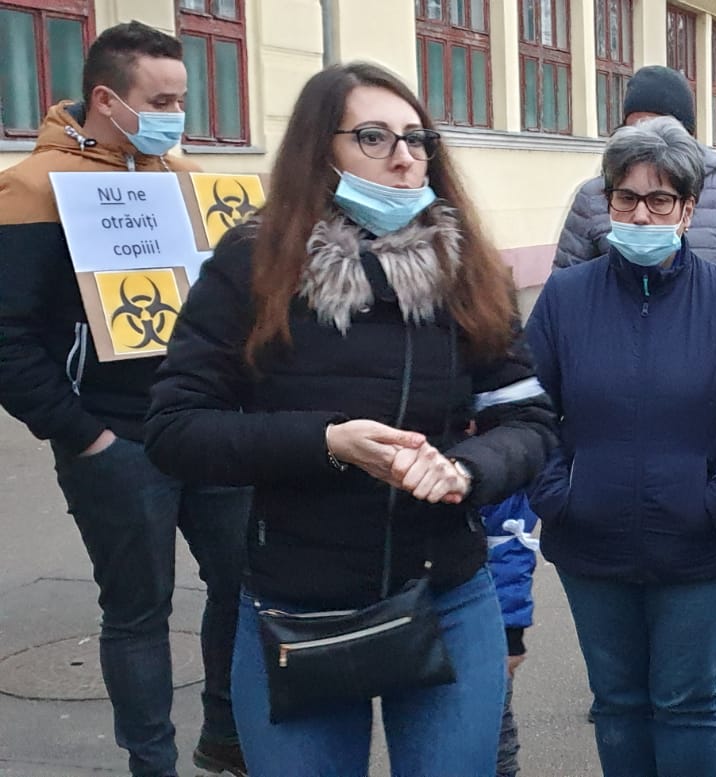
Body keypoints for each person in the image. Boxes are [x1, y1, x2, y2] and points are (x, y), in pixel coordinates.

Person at [143, 62, 556, 776]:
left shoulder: (466, 271)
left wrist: (466, 469)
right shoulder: (254, 264)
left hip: (446, 594)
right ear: (320, 149)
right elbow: (177, 426)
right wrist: (327, 441)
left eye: (417, 138)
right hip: (297, 607)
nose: (404, 156)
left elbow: (531, 422)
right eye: (374, 136)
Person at [0, 21, 250, 777]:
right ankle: (153, 763)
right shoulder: (32, 187)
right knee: (139, 614)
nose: (178, 113)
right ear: (107, 98)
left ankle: (227, 736)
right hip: (114, 440)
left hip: (207, 427)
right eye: (162, 98)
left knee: (244, 584)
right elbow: (6, 335)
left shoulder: (178, 173)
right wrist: (80, 433)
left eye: (182, 96)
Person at [526, 116, 716, 777]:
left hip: (703, 547)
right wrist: (561, 495)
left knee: (686, 700)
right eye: (626, 197)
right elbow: (527, 408)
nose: (641, 213)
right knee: (618, 702)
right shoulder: (565, 298)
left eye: (660, 199)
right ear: (606, 201)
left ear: (688, 208)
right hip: (593, 546)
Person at [480, 491, 540, 777]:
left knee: (493, 724)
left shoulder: (501, 466)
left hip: (485, 620)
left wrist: (511, 634)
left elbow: (511, 554)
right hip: (408, 611)